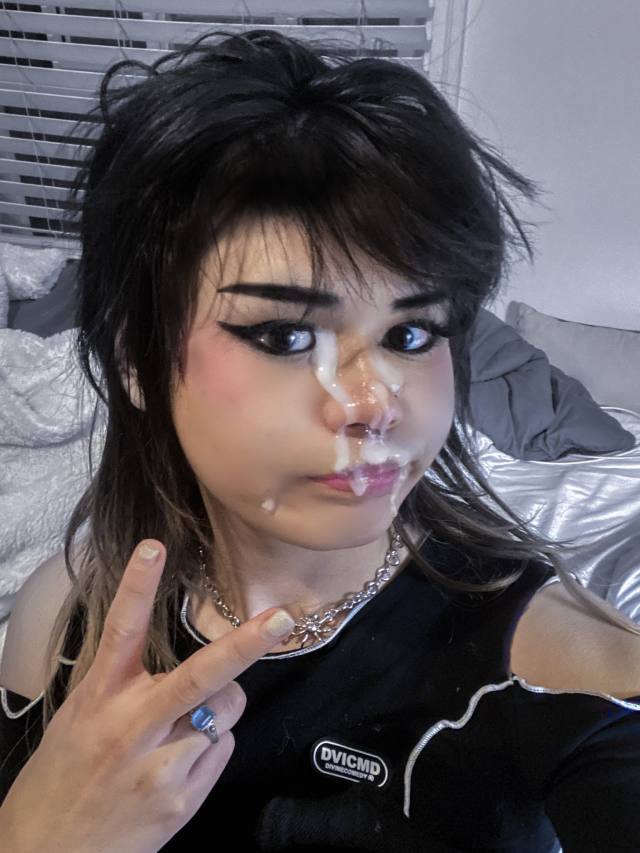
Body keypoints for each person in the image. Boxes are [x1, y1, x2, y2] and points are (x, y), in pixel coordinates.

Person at [1, 27, 639, 852]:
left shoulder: (558, 667)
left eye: (411, 335)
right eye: (286, 336)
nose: (373, 403)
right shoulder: (65, 617)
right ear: (137, 365)